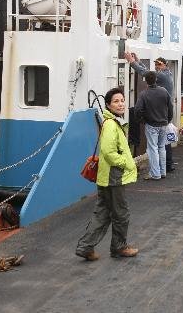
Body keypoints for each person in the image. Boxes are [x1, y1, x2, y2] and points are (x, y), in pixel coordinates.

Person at [75, 87, 138, 261]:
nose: (120, 104)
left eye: (122, 100)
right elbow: (109, 152)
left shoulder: (111, 122)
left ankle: (85, 247)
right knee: (121, 214)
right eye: (116, 101)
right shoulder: (111, 124)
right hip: (113, 177)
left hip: (106, 176)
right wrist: (127, 163)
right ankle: (119, 247)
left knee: (102, 213)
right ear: (109, 106)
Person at [125, 53, 176, 172]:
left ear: (166, 65)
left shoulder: (162, 76)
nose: (157, 66)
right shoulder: (166, 74)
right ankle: (165, 168)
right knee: (163, 144)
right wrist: (139, 61)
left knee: (155, 147)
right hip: (164, 116)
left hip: (158, 117)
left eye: (159, 64)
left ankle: (159, 170)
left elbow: (146, 74)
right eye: (156, 64)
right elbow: (150, 74)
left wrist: (132, 62)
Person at [134, 71, 173, 180]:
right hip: (163, 124)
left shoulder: (144, 94)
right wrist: (168, 120)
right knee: (161, 147)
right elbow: (170, 107)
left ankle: (155, 174)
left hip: (151, 125)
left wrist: (142, 120)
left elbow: (137, 110)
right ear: (156, 79)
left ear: (146, 81)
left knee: (153, 149)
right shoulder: (164, 91)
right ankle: (163, 171)